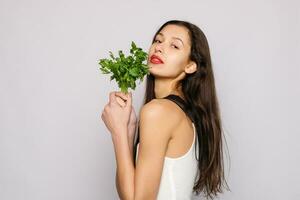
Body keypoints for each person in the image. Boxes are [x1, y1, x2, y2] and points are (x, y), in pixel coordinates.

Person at [101, 20, 229, 200]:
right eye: (158, 40)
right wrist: (128, 133)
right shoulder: (182, 113)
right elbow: (129, 191)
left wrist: (118, 132)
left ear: (190, 65)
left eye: (175, 46)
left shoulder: (159, 111)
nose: (159, 48)